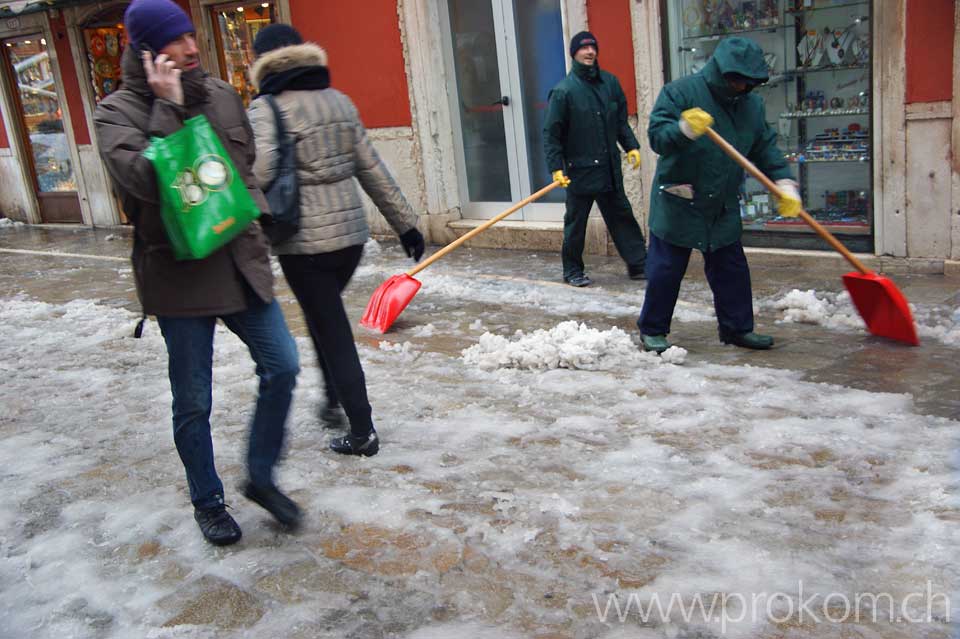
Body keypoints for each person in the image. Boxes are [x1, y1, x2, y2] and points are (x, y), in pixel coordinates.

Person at [93, 0, 302, 546]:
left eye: (191, 36)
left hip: (240, 262)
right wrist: (167, 108)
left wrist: (258, 215)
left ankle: (259, 474)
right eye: (176, 41)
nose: (190, 48)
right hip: (178, 275)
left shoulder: (223, 94)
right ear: (146, 51)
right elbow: (142, 182)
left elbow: (243, 165)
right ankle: (207, 500)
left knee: (282, 364)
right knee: (194, 400)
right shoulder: (116, 112)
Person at [247, 25, 423, 458]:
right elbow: (372, 168)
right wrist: (406, 226)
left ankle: (361, 430)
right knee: (322, 314)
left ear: (263, 61)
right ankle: (330, 396)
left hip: (303, 242)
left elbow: (261, 174)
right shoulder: (340, 101)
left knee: (331, 326)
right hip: (349, 240)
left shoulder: (267, 108)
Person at [638, 37, 802, 353]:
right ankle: (653, 329)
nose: (741, 87)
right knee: (666, 270)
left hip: (722, 202)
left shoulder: (752, 106)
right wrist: (683, 129)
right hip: (680, 199)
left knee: (732, 271)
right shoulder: (681, 92)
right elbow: (657, 138)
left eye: (748, 82)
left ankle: (737, 329)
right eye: (736, 79)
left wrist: (784, 182)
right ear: (720, 70)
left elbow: (765, 146)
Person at [543, 31, 648, 287]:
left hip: (609, 169)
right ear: (574, 53)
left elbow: (620, 122)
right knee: (576, 223)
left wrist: (631, 146)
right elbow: (552, 134)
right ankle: (572, 270)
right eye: (584, 48)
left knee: (622, 217)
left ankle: (639, 264)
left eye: (592, 47)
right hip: (580, 170)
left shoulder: (610, 84)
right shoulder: (563, 92)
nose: (589, 52)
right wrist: (556, 167)